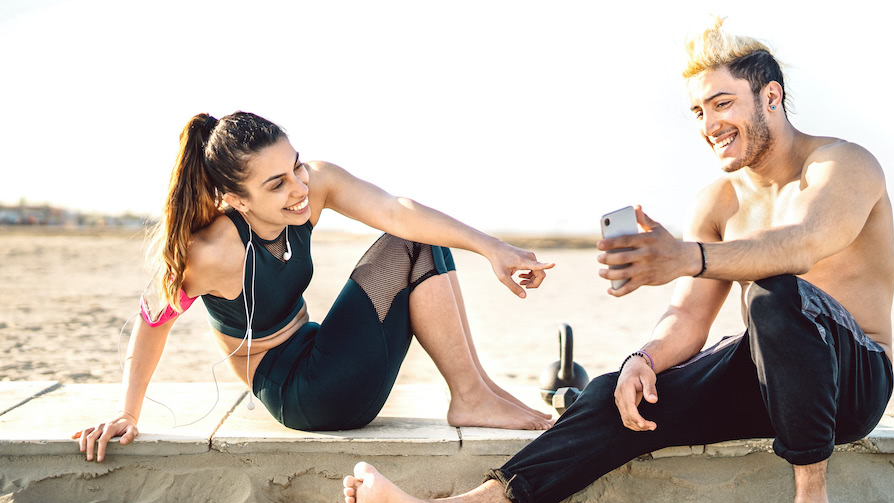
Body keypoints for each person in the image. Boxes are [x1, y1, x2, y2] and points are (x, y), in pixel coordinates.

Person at [341, 16, 894, 503]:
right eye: (699, 112)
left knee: (773, 295)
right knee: (617, 394)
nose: (709, 124)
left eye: (723, 103)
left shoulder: (841, 165)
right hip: (768, 377)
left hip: (854, 378)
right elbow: (689, 317)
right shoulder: (717, 203)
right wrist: (644, 359)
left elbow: (799, 247)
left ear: (770, 97)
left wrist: (686, 257)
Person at [75, 111, 555, 462]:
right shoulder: (214, 252)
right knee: (410, 248)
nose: (299, 187)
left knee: (416, 236)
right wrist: (127, 412)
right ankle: (471, 396)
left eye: (296, 166)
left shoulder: (314, 187)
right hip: (299, 393)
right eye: (276, 184)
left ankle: (480, 390)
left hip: (320, 353)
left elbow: (395, 210)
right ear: (236, 200)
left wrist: (493, 248)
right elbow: (152, 320)